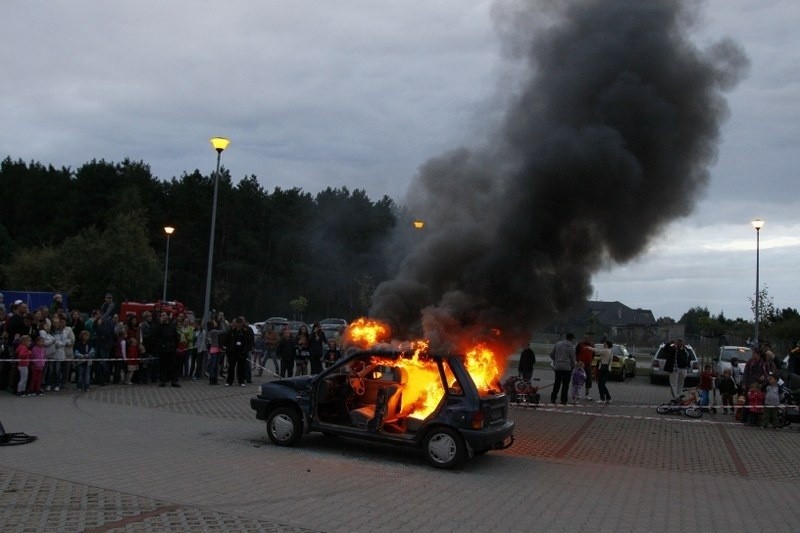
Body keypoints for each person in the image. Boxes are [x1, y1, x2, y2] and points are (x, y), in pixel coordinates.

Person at [154, 311, 180, 388]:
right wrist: (160, 323)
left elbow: (175, 337)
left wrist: (176, 346)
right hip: (163, 349)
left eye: (164, 315)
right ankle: (163, 380)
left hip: (171, 348)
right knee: (163, 365)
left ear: (168, 316)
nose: (163, 316)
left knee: (173, 365)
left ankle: (174, 381)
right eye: (162, 315)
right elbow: (156, 334)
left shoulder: (172, 325)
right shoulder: (159, 326)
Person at [549, 333, 576, 405]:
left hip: (558, 367)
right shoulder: (571, 346)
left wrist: (556, 360)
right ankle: (563, 400)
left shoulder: (558, 344)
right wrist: (572, 368)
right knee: (565, 385)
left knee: (557, 383)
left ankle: (553, 398)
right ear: (571, 338)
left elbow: (551, 354)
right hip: (567, 368)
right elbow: (573, 359)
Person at [575, 334, 597, 400]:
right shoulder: (580, 345)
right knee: (578, 380)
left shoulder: (592, 346)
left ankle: (587, 395)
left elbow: (593, 354)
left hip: (588, 365)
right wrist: (578, 362)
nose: (587, 339)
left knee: (589, 380)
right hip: (580, 365)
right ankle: (577, 394)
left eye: (589, 338)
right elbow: (576, 353)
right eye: (586, 338)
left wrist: (589, 360)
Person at [206, 319, 224, 385]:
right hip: (215, 349)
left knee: (214, 364)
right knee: (213, 365)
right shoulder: (214, 331)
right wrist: (222, 322)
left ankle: (213, 379)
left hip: (214, 349)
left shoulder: (210, 331)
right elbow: (223, 331)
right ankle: (212, 378)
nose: (215, 323)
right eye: (214, 322)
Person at [596, 340, 613, 404]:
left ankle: (605, 398)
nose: (604, 345)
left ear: (608, 345)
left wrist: (589, 348)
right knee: (601, 384)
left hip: (604, 369)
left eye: (605, 344)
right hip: (607, 369)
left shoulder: (606, 350)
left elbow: (597, 350)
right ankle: (605, 398)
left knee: (601, 384)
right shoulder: (611, 351)